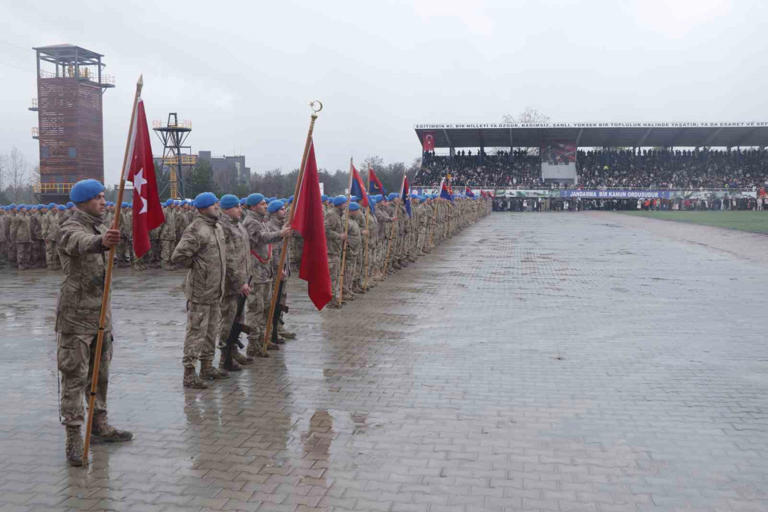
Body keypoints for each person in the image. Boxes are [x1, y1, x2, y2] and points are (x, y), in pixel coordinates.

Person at [56, 179, 133, 467]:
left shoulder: (99, 226)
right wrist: (100, 242)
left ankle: (99, 424)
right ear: (84, 201)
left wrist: (103, 237)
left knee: (100, 375)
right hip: (76, 317)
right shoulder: (70, 226)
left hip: (101, 315)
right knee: (75, 376)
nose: (104, 201)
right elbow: (77, 243)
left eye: (104, 196)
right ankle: (74, 436)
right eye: (98, 197)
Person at [171, 192, 228, 388]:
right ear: (203, 207)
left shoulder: (217, 227)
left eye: (217, 204)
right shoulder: (197, 229)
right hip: (200, 291)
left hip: (215, 289)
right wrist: (198, 266)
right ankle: (189, 373)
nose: (217, 207)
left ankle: (207, 366)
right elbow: (178, 256)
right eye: (214, 204)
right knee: (196, 332)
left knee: (212, 331)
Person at [242, 193, 291, 358]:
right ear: (253, 206)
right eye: (262, 204)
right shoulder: (250, 222)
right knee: (256, 309)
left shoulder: (261, 222)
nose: (265, 206)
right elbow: (262, 238)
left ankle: (264, 338)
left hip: (265, 271)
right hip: (256, 273)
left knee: (266, 307)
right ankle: (253, 344)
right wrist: (280, 234)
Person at [217, 194, 252, 372]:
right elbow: (229, 259)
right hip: (231, 284)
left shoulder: (237, 225)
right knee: (227, 321)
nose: (240, 209)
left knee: (238, 319)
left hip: (242, 280)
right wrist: (240, 282)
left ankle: (233, 350)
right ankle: (225, 357)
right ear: (227, 209)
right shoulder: (224, 227)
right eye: (237, 206)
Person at [324, 195, 347, 308]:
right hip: (330, 250)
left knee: (335, 276)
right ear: (339, 204)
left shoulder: (338, 214)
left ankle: (335, 298)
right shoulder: (332, 215)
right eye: (344, 203)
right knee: (332, 277)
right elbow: (325, 230)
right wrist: (339, 236)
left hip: (335, 249)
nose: (346, 205)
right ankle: (331, 300)